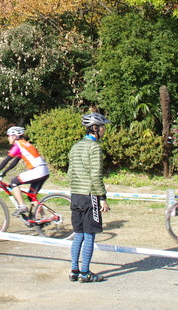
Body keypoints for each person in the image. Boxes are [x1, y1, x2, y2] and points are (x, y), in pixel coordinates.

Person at [68, 113, 111, 283]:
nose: (104, 129)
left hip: (75, 195)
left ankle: (74, 271)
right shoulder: (94, 148)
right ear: (95, 128)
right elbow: (96, 175)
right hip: (89, 195)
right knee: (90, 234)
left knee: (78, 234)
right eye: (102, 126)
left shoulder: (75, 146)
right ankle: (85, 273)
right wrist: (102, 198)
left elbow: (70, 173)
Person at [0, 126, 50, 216]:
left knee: (14, 183)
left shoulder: (19, 144)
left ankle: (22, 206)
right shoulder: (25, 144)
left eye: (9, 136)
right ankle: (42, 218)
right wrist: (4, 173)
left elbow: (7, 160)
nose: (8, 138)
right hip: (44, 171)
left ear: (14, 136)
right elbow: (15, 162)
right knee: (32, 196)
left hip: (37, 170)